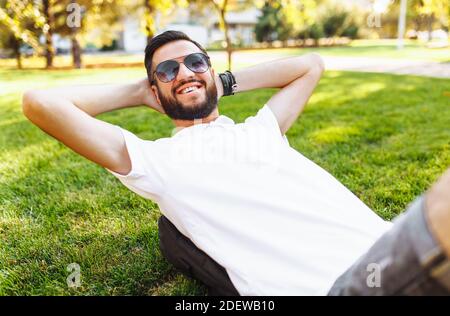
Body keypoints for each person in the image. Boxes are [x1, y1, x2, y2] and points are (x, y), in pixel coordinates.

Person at [22, 30, 450, 296]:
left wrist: (216, 82)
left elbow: (310, 66)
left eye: (195, 62)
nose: (185, 72)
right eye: (167, 71)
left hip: (387, 245)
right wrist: (141, 91)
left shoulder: (261, 129)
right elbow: (39, 103)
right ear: (154, 92)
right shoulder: (155, 161)